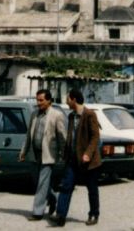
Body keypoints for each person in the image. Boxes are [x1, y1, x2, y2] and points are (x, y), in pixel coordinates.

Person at [50, 89, 102, 227]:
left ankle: (93, 214)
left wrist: (88, 153)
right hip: (73, 159)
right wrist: (65, 154)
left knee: (92, 189)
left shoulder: (90, 115)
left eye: (68, 99)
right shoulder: (72, 116)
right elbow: (71, 138)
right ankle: (61, 215)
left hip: (89, 161)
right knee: (66, 186)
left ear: (73, 99)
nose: (66, 101)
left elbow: (95, 137)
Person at [19, 89, 66, 221]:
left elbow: (62, 136)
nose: (38, 103)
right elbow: (29, 135)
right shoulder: (34, 114)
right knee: (40, 183)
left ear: (49, 100)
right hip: (35, 154)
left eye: (41, 100)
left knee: (42, 183)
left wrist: (63, 153)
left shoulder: (56, 115)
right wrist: (23, 151)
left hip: (49, 154)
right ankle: (53, 199)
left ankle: (37, 212)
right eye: (37, 100)